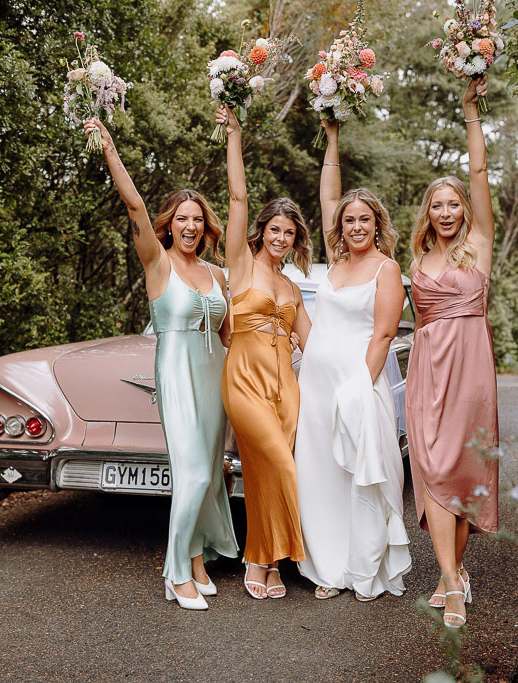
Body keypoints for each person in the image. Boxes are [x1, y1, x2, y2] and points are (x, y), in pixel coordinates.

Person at [85, 118, 237, 611]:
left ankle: (196, 558)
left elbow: (232, 333)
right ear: (168, 224)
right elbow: (134, 205)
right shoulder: (157, 263)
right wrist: (109, 149)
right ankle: (176, 574)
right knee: (191, 473)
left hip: (215, 378)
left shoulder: (218, 273)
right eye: (181, 219)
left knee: (210, 474)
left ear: (205, 224)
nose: (190, 227)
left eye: (197, 219)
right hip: (176, 372)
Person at [293, 119, 411, 601]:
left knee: (362, 475)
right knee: (319, 475)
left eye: (364, 219)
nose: (355, 226)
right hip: (315, 387)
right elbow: (328, 197)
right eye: (348, 220)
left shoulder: (387, 269)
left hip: (357, 384)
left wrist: (358, 388)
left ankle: (362, 570)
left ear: (377, 224)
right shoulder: (335, 262)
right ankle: (327, 569)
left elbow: (383, 333)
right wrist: (332, 137)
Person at [405, 78, 499, 629]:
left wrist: (470, 111)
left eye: (454, 203)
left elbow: (481, 174)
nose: (445, 212)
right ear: (428, 213)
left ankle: (453, 570)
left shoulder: (479, 245)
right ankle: (451, 582)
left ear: (464, 208)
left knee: (460, 473)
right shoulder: (415, 260)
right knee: (432, 468)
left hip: (471, 373)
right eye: (436, 206)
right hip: (426, 372)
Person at [215, 104, 313, 600]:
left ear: (296, 241)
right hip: (245, 381)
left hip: (287, 389)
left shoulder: (293, 285)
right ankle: (263, 556)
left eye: (289, 233)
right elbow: (237, 197)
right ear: (262, 232)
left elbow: (315, 342)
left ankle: (268, 562)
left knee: (263, 471)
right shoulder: (241, 268)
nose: (280, 237)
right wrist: (234, 134)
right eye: (274, 229)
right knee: (280, 464)